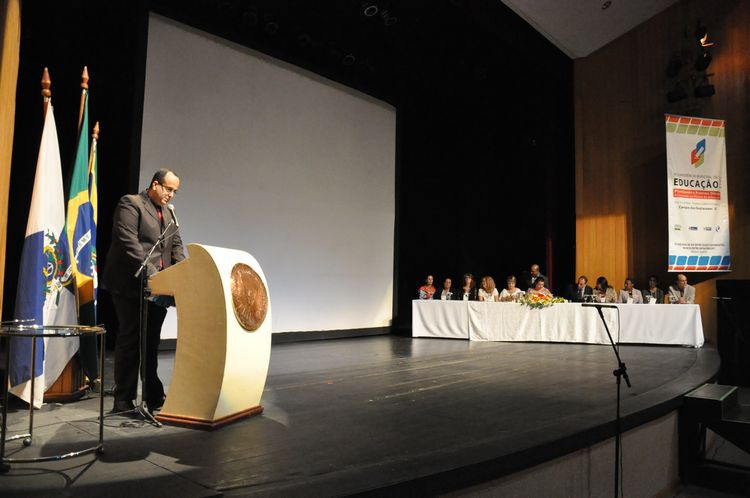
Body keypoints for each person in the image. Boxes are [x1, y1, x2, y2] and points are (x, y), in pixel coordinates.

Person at [102, 169, 186, 414]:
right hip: (130, 284)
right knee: (131, 339)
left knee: (151, 342)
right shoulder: (132, 203)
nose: (171, 195)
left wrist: (182, 275)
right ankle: (123, 400)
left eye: (175, 192)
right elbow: (128, 242)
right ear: (155, 184)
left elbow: (176, 246)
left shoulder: (170, 214)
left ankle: (153, 396)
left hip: (159, 288)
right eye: (168, 189)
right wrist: (152, 272)